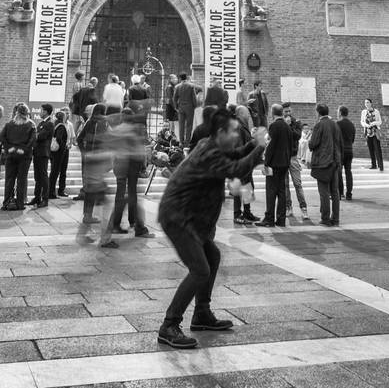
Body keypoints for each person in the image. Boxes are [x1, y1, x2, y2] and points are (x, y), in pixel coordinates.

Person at [154, 104, 266, 350]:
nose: (237, 136)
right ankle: (169, 325)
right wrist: (259, 147)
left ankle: (202, 313)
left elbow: (234, 157)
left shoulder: (210, 145)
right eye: (234, 132)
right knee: (200, 269)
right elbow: (237, 168)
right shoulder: (209, 152)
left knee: (212, 256)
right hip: (179, 218)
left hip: (192, 220)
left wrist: (251, 146)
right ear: (221, 133)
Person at [100, 108, 153, 246]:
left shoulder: (117, 129)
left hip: (119, 166)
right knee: (130, 197)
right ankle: (135, 226)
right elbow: (139, 150)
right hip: (130, 166)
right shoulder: (133, 130)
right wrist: (143, 164)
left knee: (123, 197)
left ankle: (123, 225)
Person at [75, 104, 111, 237]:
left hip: (89, 159)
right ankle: (92, 216)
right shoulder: (103, 123)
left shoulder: (90, 122)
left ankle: (88, 215)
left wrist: (85, 153)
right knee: (95, 188)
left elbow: (79, 139)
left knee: (90, 188)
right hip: (97, 160)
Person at [308, 103, 341, 226]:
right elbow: (339, 143)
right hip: (335, 161)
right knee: (335, 192)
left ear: (318, 112)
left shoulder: (319, 125)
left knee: (324, 192)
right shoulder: (335, 124)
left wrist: (310, 140)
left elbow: (312, 144)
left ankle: (325, 218)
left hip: (323, 163)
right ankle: (336, 219)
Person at [261, 104, 294, 227]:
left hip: (273, 164)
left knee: (270, 191)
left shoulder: (274, 125)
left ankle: (269, 219)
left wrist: (266, 163)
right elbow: (291, 146)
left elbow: (270, 146)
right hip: (284, 163)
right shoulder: (287, 126)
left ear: (272, 113)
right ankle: (281, 219)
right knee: (281, 191)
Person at [1, 103, 36, 210]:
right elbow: (33, 140)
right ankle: (20, 204)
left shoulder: (9, 124)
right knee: (21, 180)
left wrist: (9, 148)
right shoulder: (31, 125)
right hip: (24, 156)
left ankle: (6, 203)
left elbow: (2, 137)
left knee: (9, 179)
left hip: (11, 155)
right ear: (27, 113)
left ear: (17, 113)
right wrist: (23, 149)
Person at [282, 105, 309, 219]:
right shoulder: (280, 122)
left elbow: (297, 136)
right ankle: (289, 207)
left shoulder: (297, 122)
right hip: (283, 158)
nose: (288, 113)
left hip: (293, 157)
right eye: (285, 111)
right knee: (285, 185)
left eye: (289, 111)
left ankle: (304, 209)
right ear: (282, 112)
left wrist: (289, 126)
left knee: (298, 184)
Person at [29, 103, 55, 207]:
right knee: (37, 176)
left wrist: (35, 135)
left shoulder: (49, 123)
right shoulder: (41, 123)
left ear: (45, 111)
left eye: (41, 110)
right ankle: (37, 197)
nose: (40, 112)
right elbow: (36, 135)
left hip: (43, 153)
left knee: (43, 176)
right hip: (37, 152)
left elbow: (40, 136)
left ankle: (45, 199)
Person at [48, 106, 72, 199]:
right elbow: (59, 138)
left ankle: (51, 192)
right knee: (55, 172)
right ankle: (51, 193)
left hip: (53, 152)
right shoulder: (61, 126)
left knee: (54, 172)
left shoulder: (55, 124)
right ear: (63, 117)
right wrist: (64, 146)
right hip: (59, 153)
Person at [336, 105, 357, 201]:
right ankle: (349, 194)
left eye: (338, 111)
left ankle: (340, 193)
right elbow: (352, 139)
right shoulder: (352, 124)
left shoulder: (337, 124)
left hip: (340, 151)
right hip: (349, 150)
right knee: (348, 172)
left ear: (340, 113)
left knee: (339, 172)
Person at [172, 72, 199, 146]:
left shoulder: (177, 86)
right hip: (190, 107)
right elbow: (194, 97)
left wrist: (176, 107)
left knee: (181, 125)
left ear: (180, 78)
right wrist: (195, 106)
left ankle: (181, 141)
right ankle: (187, 142)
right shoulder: (191, 86)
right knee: (189, 125)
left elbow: (174, 98)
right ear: (186, 77)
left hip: (181, 107)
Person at [361, 98, 385, 171]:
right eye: (365, 103)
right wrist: (366, 125)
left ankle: (381, 166)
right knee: (371, 149)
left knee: (377, 149)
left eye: (368, 102)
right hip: (368, 132)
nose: (366, 104)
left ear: (371, 103)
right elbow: (361, 121)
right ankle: (373, 165)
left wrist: (373, 123)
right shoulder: (364, 112)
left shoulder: (376, 111)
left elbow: (380, 122)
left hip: (375, 132)